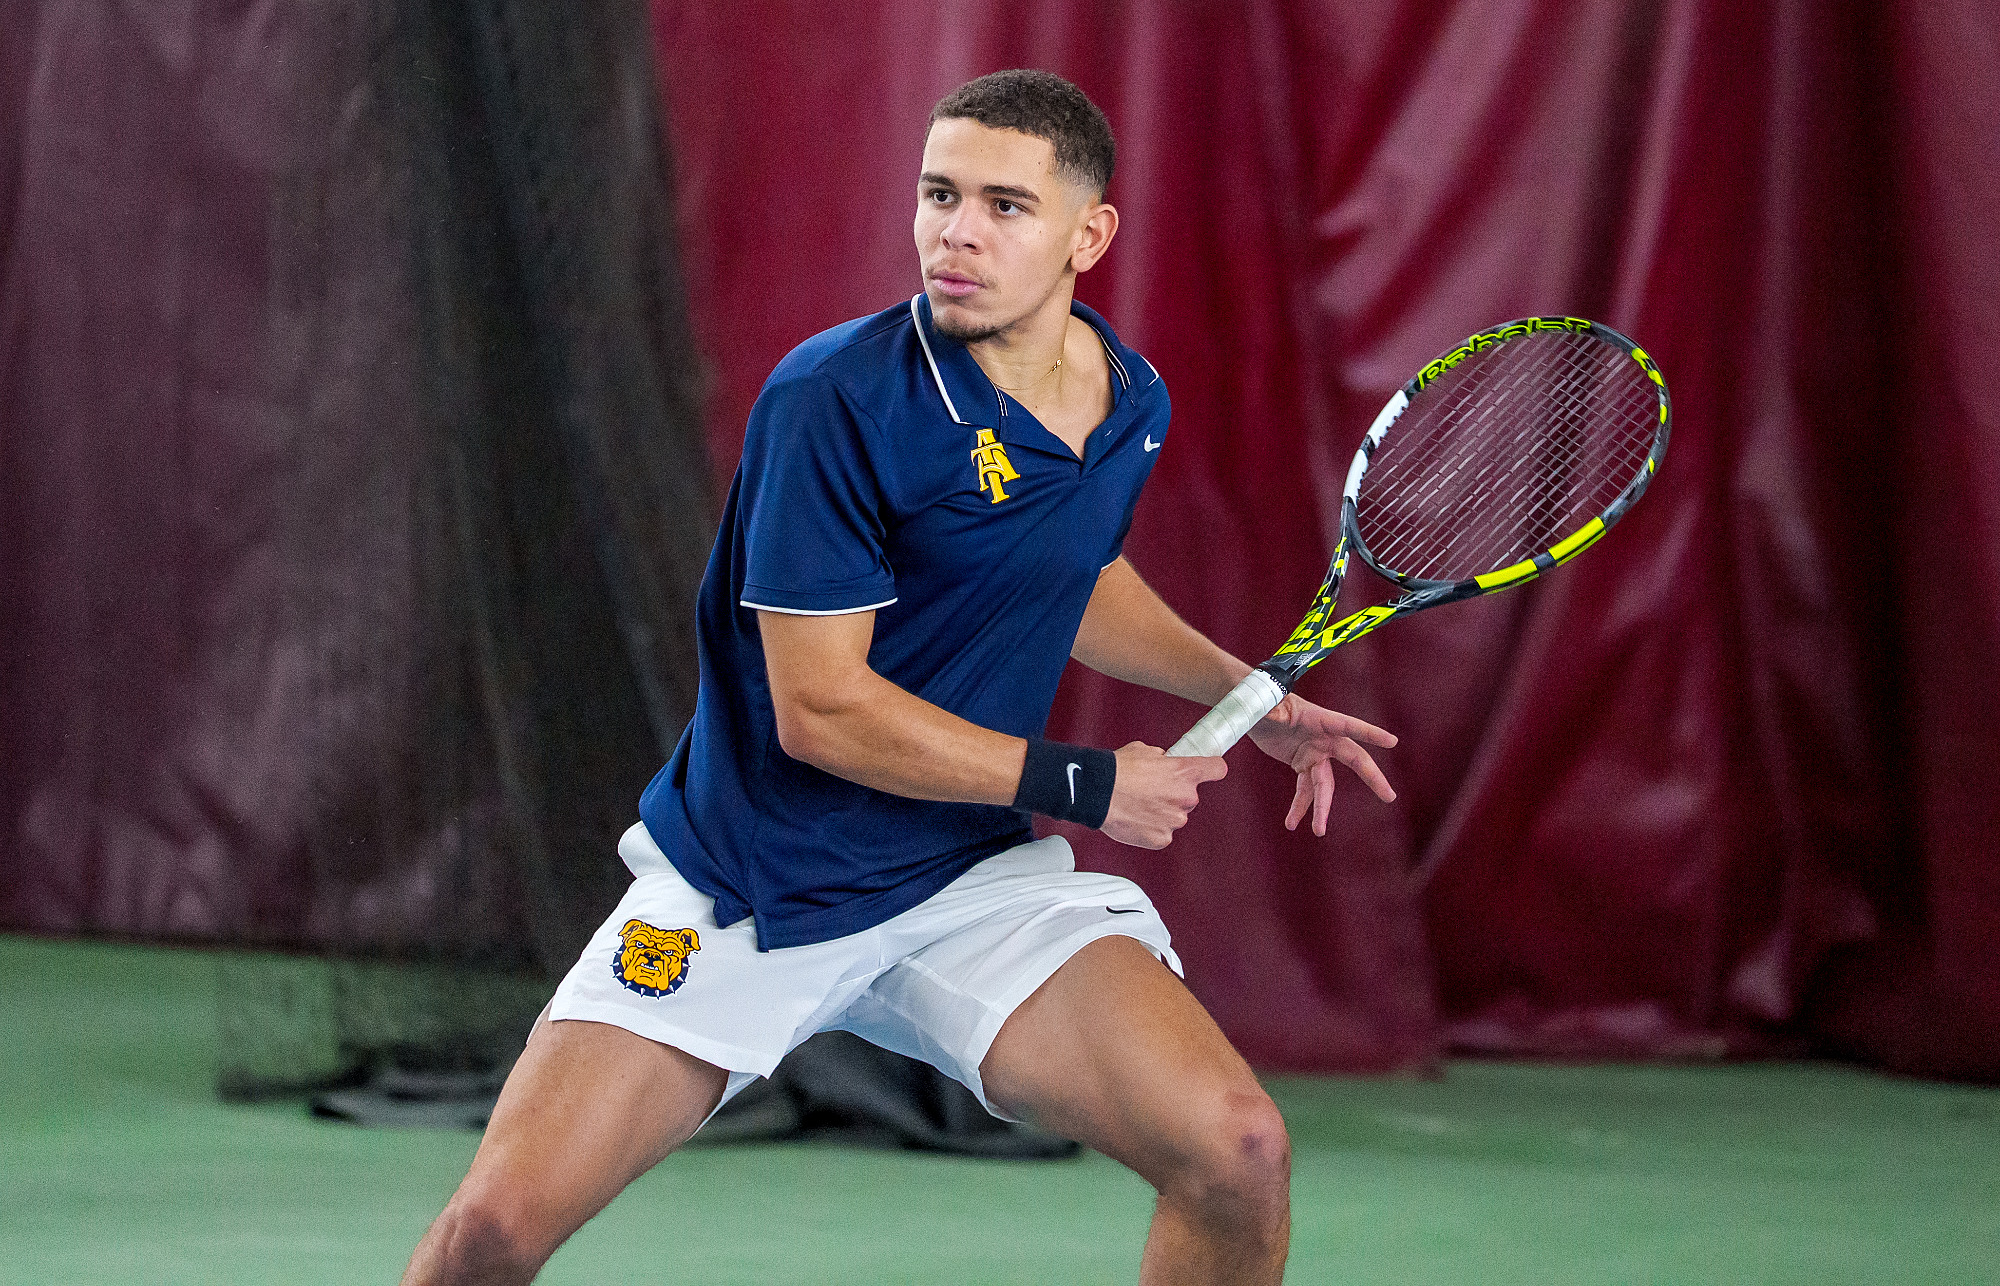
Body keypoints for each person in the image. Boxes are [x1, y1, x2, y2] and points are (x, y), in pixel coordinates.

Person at [402, 68, 1397, 1286]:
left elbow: (1069, 570)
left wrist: (1252, 697)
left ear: (1088, 235)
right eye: (938, 194)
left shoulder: (1125, 397)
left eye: (1004, 205)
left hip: (960, 876)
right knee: (492, 1233)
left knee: (1236, 1150)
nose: (956, 232)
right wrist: (1086, 784)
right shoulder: (834, 401)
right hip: (753, 883)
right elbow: (820, 709)